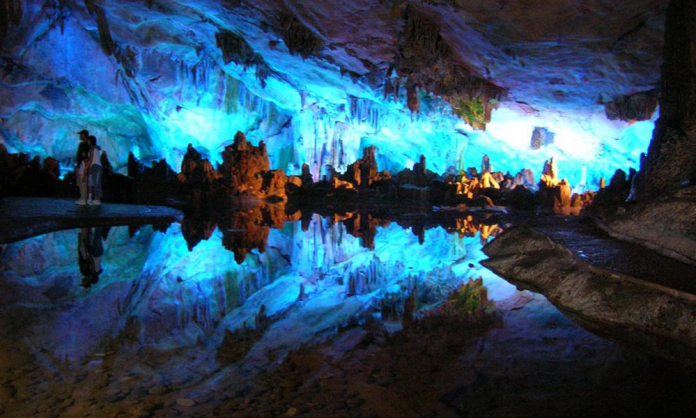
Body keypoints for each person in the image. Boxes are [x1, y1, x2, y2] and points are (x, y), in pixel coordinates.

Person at [85, 135, 103, 205]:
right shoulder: (94, 148)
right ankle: (91, 198)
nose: (88, 141)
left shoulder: (92, 148)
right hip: (94, 166)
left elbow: (91, 158)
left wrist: (86, 167)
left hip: (95, 166)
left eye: (88, 140)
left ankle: (97, 199)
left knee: (95, 183)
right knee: (91, 182)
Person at [75, 130, 91, 205]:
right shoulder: (82, 144)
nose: (80, 136)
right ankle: (82, 197)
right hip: (81, 163)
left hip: (84, 163)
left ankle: (84, 198)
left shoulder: (87, 144)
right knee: (81, 182)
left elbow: (86, 155)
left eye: (81, 135)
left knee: (83, 181)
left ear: (85, 135)